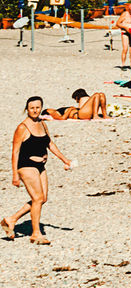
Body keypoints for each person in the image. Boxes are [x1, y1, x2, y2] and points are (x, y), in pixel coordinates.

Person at [5, 96, 73, 244]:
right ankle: (36, 233)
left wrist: (65, 159)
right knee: (37, 198)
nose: (35, 110)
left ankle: (11, 219)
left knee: (42, 199)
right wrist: (15, 175)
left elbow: (50, 144)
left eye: (37, 107)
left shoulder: (42, 124)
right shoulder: (22, 127)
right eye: (32, 108)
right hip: (26, 166)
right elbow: (15, 152)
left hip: (41, 166)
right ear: (27, 109)